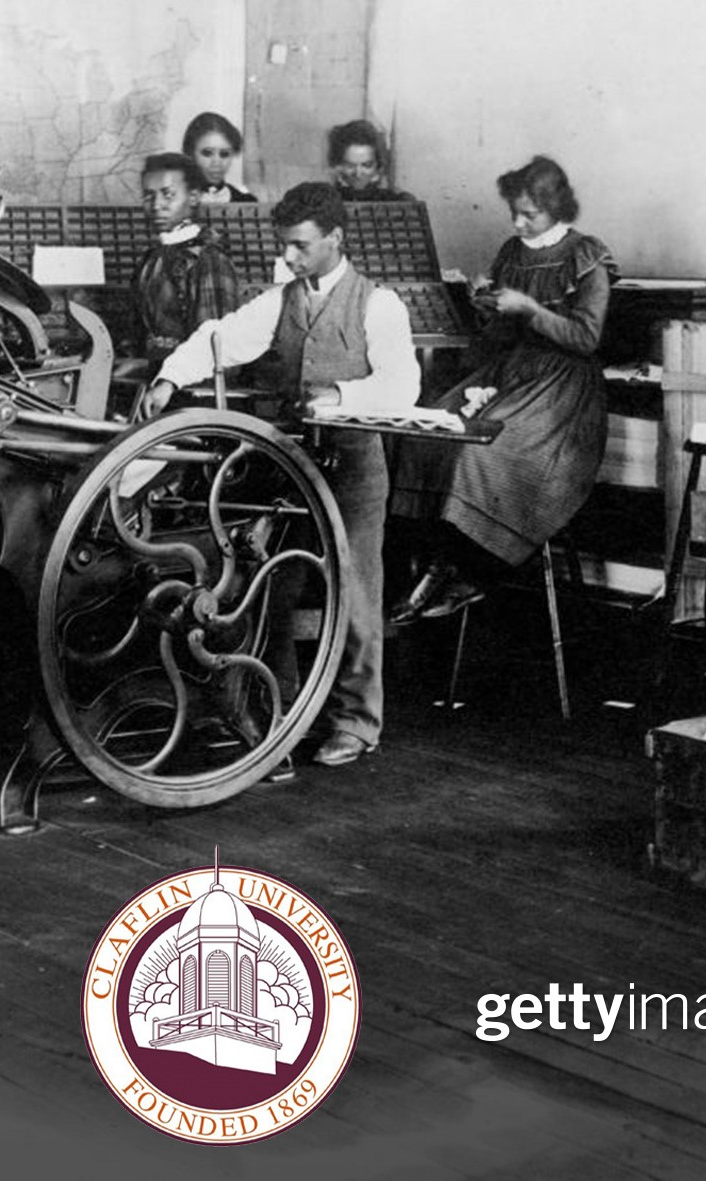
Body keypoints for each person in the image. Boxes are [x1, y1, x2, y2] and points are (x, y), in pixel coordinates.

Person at [139, 182, 421, 768]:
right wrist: (170, 375)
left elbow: (402, 386)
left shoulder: (379, 305)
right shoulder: (279, 300)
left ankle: (356, 722)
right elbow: (219, 338)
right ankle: (279, 710)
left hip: (354, 467)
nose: (289, 258)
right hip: (293, 468)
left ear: (335, 240)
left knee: (357, 592)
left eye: (300, 246)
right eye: (285, 246)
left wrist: (341, 392)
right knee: (275, 587)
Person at [388, 155, 618, 622]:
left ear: (557, 207)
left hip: (563, 390)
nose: (517, 222)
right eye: (513, 211)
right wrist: (486, 309)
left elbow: (587, 338)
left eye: (529, 214)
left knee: (480, 451)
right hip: (511, 370)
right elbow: (499, 336)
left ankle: (472, 570)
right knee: (426, 429)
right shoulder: (512, 252)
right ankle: (435, 564)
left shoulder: (585, 255)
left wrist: (528, 308)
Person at [129, 152, 242, 375]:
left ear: (193, 197)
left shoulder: (208, 260)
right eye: (149, 196)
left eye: (168, 195)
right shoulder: (150, 259)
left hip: (194, 392)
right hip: (156, 379)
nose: (156, 205)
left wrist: (145, 366)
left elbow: (214, 351)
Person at [327, 120, 415, 203]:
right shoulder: (327, 201)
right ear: (338, 165)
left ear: (377, 166)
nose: (358, 174)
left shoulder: (395, 200)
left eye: (366, 165)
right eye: (350, 166)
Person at [182, 111, 257, 204]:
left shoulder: (246, 202)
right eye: (207, 153)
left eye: (224, 154)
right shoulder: (175, 202)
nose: (217, 162)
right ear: (190, 153)